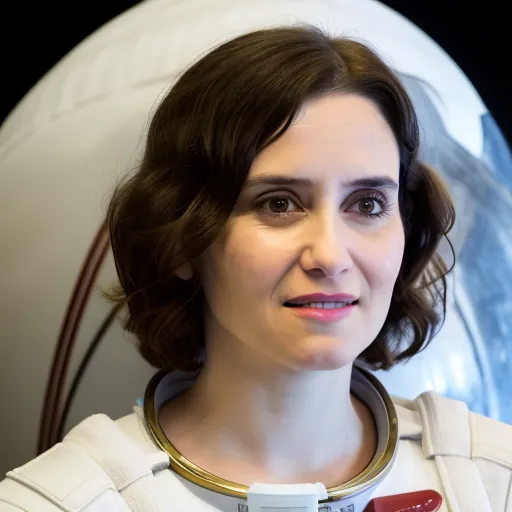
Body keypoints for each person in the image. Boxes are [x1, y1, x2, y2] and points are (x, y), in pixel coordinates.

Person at [1, 25, 511, 512]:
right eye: (279, 204)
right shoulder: (56, 500)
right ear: (181, 239)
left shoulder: (496, 482)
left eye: (369, 204)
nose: (330, 256)